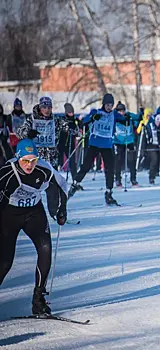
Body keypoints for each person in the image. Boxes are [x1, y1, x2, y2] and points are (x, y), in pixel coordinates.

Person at [0, 139, 68, 315]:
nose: (29, 165)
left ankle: (38, 300)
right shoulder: (7, 173)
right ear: (18, 158)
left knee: (45, 250)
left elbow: (61, 185)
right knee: (5, 262)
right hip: (9, 215)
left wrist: (61, 209)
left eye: (33, 160)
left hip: (34, 213)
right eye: (25, 160)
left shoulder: (43, 169)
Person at [68, 93, 126, 205]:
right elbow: (84, 121)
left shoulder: (114, 114)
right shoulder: (96, 112)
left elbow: (124, 119)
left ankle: (109, 192)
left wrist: (132, 117)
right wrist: (92, 118)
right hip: (94, 144)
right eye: (107, 104)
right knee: (86, 165)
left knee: (110, 169)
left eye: (111, 105)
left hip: (107, 145)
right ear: (103, 104)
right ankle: (75, 183)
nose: (109, 107)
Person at [16, 97, 69, 170]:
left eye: (49, 108)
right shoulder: (32, 119)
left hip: (52, 158)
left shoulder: (56, 119)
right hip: (36, 158)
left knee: (52, 180)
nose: (47, 110)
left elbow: (69, 128)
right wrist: (28, 133)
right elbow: (19, 132)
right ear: (40, 108)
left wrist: (71, 123)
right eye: (44, 107)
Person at [113, 101, 140, 187]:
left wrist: (141, 111)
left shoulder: (128, 115)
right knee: (119, 161)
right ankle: (117, 179)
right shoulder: (115, 117)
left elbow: (137, 117)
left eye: (122, 111)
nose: (121, 112)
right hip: (119, 141)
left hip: (129, 140)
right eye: (119, 111)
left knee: (131, 160)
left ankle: (133, 179)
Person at [58, 103, 80, 179]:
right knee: (58, 159)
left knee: (72, 161)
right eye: (69, 112)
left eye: (72, 112)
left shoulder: (75, 120)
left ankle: (75, 179)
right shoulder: (62, 119)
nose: (71, 114)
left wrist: (74, 131)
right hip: (61, 142)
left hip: (70, 143)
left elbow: (77, 130)